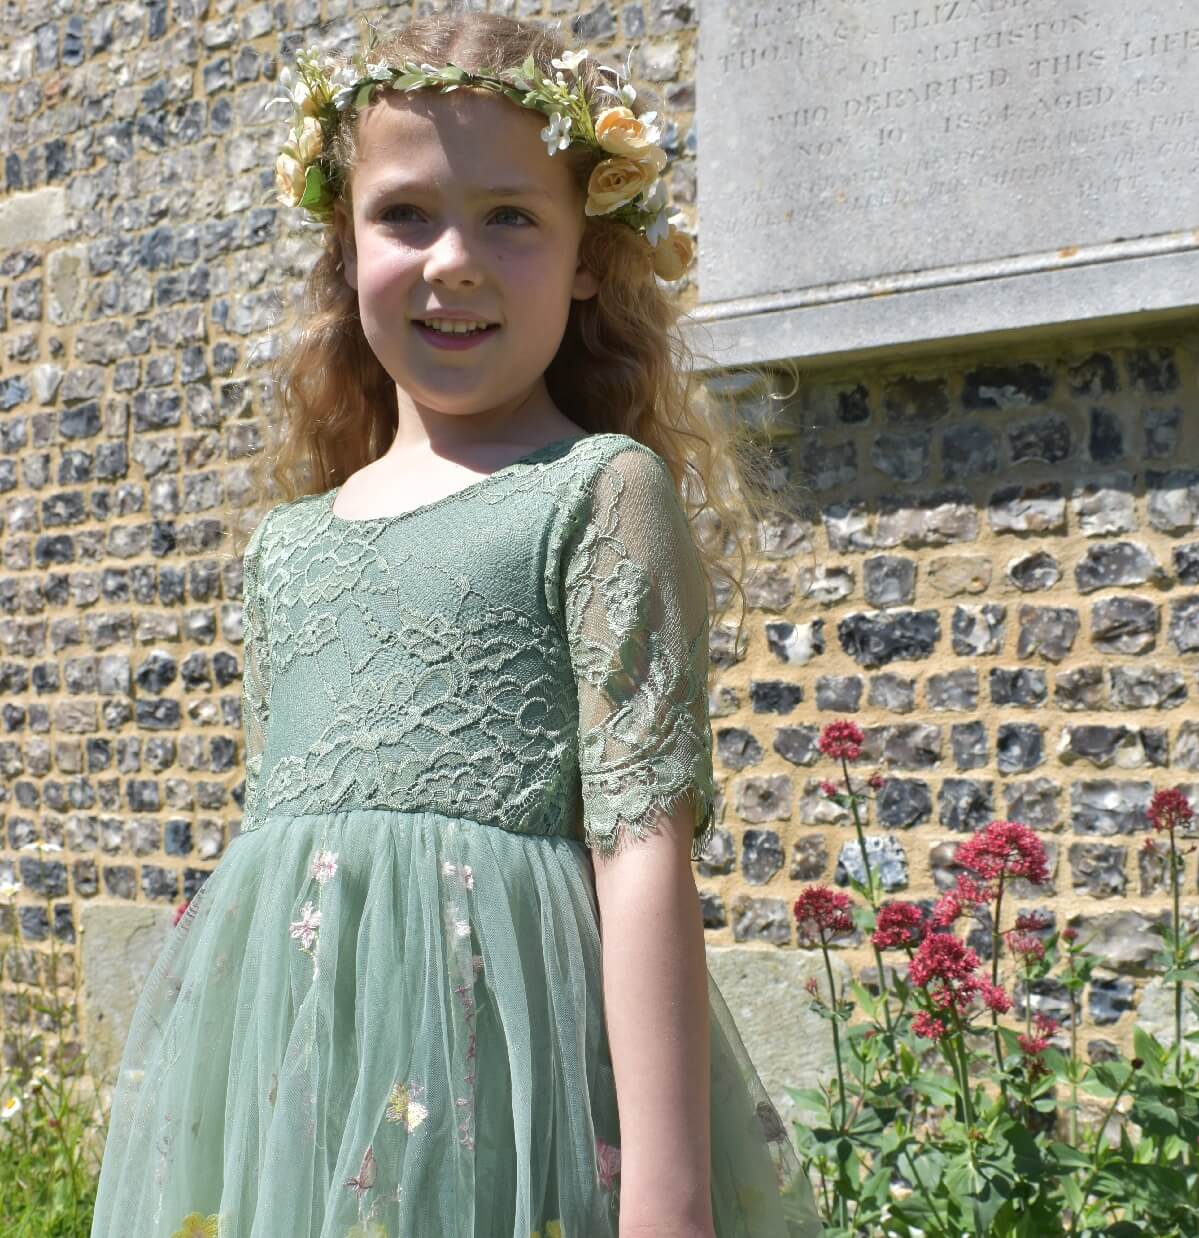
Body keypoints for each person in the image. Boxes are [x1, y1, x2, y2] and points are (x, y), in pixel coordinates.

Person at [89, 12, 823, 1238]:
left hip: (515, 1095)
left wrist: (667, 1195)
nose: (453, 260)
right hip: (312, 1109)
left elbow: (641, 843)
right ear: (345, 238)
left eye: (510, 216)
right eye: (407, 214)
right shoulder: (290, 543)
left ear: (589, 253)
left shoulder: (598, 492)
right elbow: (292, 876)